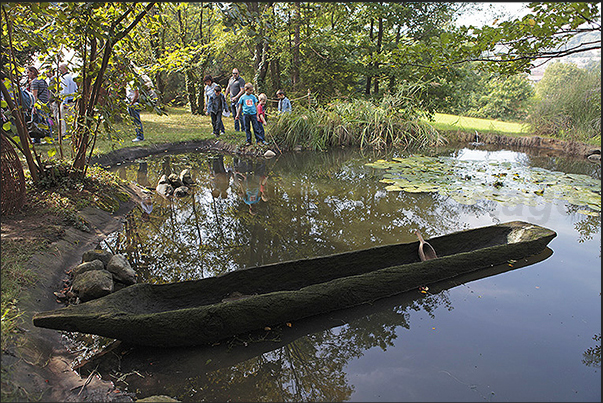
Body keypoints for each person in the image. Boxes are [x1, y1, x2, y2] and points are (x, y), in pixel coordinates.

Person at [25, 66, 52, 143]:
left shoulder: (34, 82)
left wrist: (33, 107)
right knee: (45, 121)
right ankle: (45, 138)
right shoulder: (42, 80)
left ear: (32, 72)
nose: (27, 75)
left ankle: (38, 139)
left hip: (38, 104)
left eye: (28, 72)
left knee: (36, 122)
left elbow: (34, 95)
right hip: (45, 103)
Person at [58, 63, 78, 137]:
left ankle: (63, 133)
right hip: (73, 100)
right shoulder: (72, 77)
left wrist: (64, 102)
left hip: (67, 100)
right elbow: (76, 89)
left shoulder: (64, 78)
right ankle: (75, 132)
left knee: (60, 117)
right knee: (73, 117)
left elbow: (65, 90)